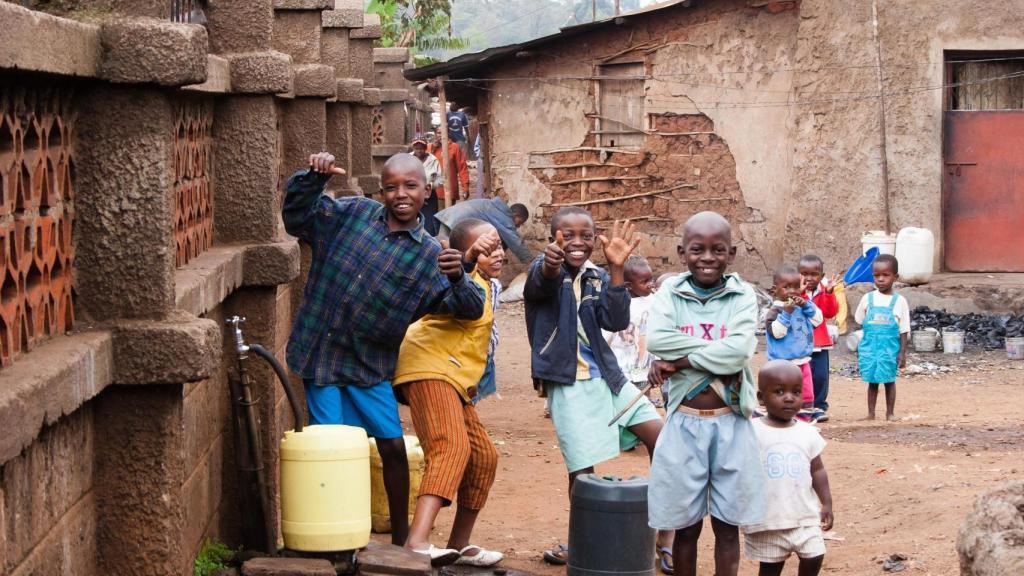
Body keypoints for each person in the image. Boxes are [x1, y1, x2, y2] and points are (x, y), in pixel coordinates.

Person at [282, 152, 486, 546]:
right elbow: (296, 217)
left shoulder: (432, 255)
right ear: (381, 191)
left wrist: (459, 276)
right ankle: (339, 536)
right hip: (321, 355)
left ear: (426, 191)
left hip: (369, 365)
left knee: (392, 447)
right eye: (391, 187)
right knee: (335, 446)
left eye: (410, 186)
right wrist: (313, 178)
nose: (401, 194)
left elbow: (470, 309)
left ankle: (399, 538)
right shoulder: (351, 215)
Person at [524, 209, 672, 567]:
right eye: (567, 235)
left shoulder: (597, 276)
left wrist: (617, 271)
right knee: (582, 468)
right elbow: (540, 283)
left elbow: (616, 319)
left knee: (664, 440)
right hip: (568, 380)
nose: (578, 242)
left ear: (595, 240)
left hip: (608, 376)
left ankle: (665, 535)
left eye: (586, 236)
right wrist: (550, 263)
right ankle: (583, 542)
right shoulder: (542, 269)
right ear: (553, 238)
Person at [646, 211, 764, 576]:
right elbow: (657, 340)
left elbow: (739, 352)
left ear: (732, 253)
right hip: (684, 422)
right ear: (682, 252)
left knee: (728, 527)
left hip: (732, 423)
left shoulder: (742, 294)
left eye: (718, 249)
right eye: (698, 249)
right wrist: (714, 350)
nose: (707, 258)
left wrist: (680, 362)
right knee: (686, 526)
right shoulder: (670, 291)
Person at [393, 218, 504, 567]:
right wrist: (466, 261)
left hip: (456, 379)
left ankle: (459, 545)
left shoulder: (491, 286)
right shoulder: (461, 278)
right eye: (485, 248)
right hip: (429, 367)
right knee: (450, 447)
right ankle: (417, 541)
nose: (496, 252)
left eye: (498, 244)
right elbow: (453, 285)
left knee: (484, 456)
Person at [743, 360, 834, 576]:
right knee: (770, 569)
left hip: (804, 515)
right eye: (779, 391)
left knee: (815, 554)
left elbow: (817, 469)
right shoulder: (752, 432)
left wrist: (827, 502)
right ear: (761, 398)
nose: (789, 398)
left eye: (796, 392)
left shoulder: (807, 432)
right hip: (768, 519)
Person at [854, 254, 910, 421]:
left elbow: (904, 329)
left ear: (895, 277)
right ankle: (871, 413)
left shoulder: (899, 301)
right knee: (872, 381)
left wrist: (903, 353)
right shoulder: (867, 299)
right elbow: (859, 320)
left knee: (889, 380)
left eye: (885, 275)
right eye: (877, 276)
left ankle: (890, 413)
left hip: (889, 348)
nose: (880, 279)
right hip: (870, 348)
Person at [764, 264, 823, 422]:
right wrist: (786, 314)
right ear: (774, 290)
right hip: (782, 365)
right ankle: (784, 422)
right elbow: (777, 333)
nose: (792, 292)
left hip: (803, 361)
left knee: (806, 394)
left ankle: (805, 422)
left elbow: (818, 320)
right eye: (786, 287)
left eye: (796, 287)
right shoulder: (774, 311)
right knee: (785, 396)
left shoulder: (802, 307)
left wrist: (806, 305)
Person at [604, 256, 661, 407]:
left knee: (643, 399)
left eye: (651, 279)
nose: (650, 284)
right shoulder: (620, 303)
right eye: (644, 282)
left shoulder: (654, 301)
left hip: (644, 364)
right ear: (628, 285)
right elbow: (607, 333)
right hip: (621, 363)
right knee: (623, 400)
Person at [799, 255, 841, 423]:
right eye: (804, 273)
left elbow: (830, 313)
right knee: (802, 377)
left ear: (821, 276)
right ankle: (803, 407)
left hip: (820, 343)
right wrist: (800, 292)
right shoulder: (794, 291)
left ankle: (819, 407)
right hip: (800, 344)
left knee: (820, 376)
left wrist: (829, 293)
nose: (809, 278)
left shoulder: (823, 290)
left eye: (814, 274)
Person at [435, 197, 533, 264]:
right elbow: (516, 243)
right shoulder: (504, 217)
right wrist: (533, 262)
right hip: (453, 224)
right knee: (444, 259)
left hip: (449, 219)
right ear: (515, 215)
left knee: (449, 258)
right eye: (520, 222)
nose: (518, 226)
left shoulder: (494, 208)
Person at [432, 126, 470, 203]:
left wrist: (465, 187)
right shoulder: (430, 147)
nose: (441, 135)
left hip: (449, 190)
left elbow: (462, 168)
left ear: (448, 133)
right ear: (435, 134)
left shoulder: (454, 147)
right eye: (439, 133)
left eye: (443, 132)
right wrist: (433, 149)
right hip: (431, 192)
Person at [412, 139, 442, 235]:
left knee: (429, 223)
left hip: (429, 196)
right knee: (413, 221)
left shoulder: (433, 160)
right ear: (413, 149)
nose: (419, 151)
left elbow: (440, 179)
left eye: (421, 148)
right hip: (412, 195)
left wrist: (429, 187)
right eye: (417, 148)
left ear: (425, 148)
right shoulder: (408, 159)